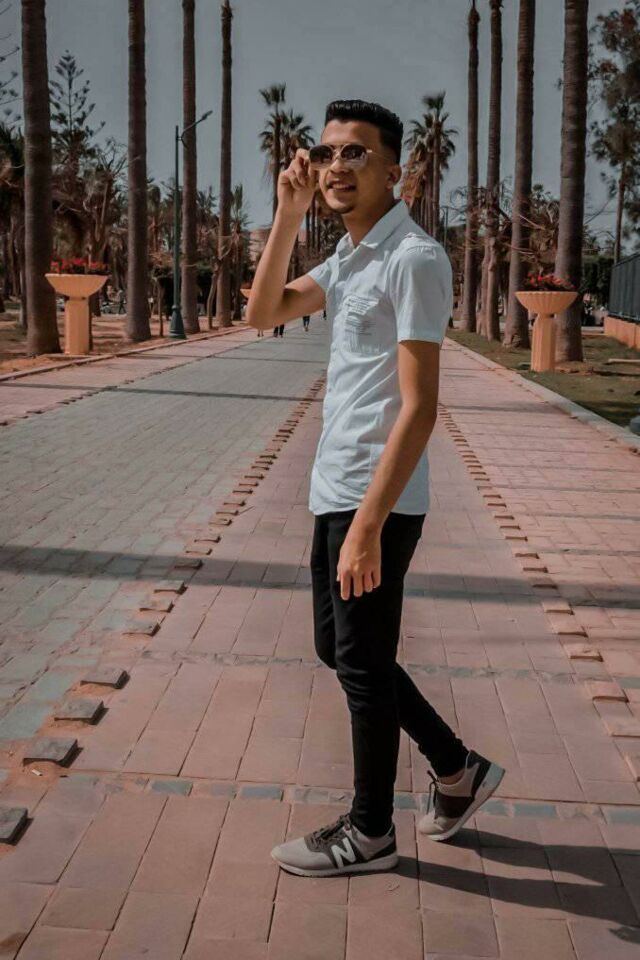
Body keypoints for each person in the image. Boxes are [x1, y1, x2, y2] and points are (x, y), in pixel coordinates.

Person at [246, 99, 504, 879]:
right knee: (342, 649)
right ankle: (456, 768)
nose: (336, 167)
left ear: (396, 172)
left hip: (374, 498)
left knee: (360, 662)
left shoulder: (412, 259)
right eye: (327, 153)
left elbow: (420, 407)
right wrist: (288, 214)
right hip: (336, 488)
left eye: (355, 153)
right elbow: (262, 313)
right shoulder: (350, 257)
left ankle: (370, 832)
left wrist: (367, 525)